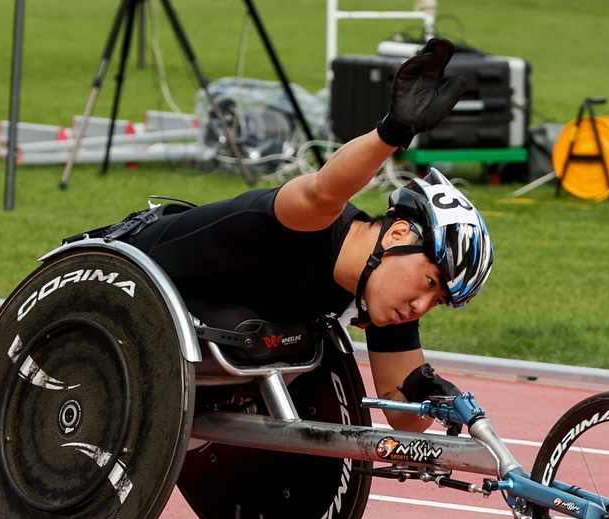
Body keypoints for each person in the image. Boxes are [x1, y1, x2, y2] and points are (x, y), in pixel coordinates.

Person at [122, 38, 493, 432]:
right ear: (399, 232)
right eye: (431, 282)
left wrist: (442, 397)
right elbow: (324, 188)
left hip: (172, 358)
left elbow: (403, 414)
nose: (421, 305)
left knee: (287, 346)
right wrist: (392, 131)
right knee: (252, 331)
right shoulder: (314, 221)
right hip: (114, 282)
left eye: (437, 301)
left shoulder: (385, 295)